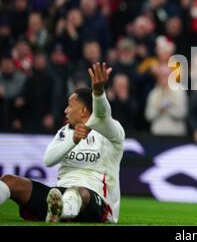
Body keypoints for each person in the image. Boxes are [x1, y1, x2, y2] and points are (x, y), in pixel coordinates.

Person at [0, 62, 125, 223]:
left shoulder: (111, 132)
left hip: (96, 201)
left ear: (83, 110)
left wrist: (99, 92)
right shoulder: (65, 132)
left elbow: (102, 113)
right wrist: (73, 140)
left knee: (77, 192)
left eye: (70, 105)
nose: (65, 110)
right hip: (58, 196)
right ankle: (58, 210)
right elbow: (48, 160)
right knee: (10, 181)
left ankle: (60, 212)